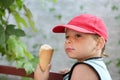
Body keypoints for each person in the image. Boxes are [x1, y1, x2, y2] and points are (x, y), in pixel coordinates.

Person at [34, 14, 112, 80]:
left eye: (78, 36)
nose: (68, 41)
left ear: (99, 43)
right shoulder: (97, 67)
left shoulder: (83, 69)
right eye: (67, 37)